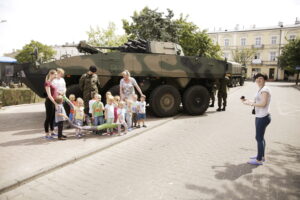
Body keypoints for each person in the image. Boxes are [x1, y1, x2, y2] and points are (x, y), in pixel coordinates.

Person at [241, 73, 271, 165]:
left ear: (264, 79)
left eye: (261, 78)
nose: (258, 80)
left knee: (258, 137)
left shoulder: (265, 89)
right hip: (260, 116)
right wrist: (247, 101)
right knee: (261, 138)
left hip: (263, 117)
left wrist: (251, 104)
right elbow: (257, 101)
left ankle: (259, 160)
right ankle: (261, 156)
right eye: (257, 78)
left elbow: (263, 104)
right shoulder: (260, 89)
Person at [44, 69, 58, 139]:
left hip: (53, 102)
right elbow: (49, 95)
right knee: (48, 118)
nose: (56, 75)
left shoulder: (52, 82)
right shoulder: (48, 83)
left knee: (52, 118)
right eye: (55, 74)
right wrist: (55, 103)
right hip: (50, 102)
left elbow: (55, 93)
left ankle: (52, 131)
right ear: (51, 74)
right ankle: (47, 133)